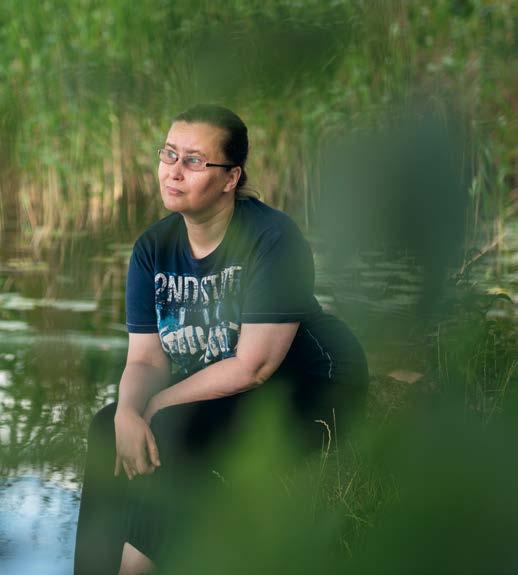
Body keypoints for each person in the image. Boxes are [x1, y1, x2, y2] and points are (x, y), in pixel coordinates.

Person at [73, 104, 369, 574]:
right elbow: (146, 361)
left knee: (174, 428)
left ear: (231, 178)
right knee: (106, 428)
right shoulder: (153, 248)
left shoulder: (272, 237)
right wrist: (130, 411)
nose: (173, 171)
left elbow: (255, 366)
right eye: (169, 154)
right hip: (228, 382)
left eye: (194, 161)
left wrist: (159, 405)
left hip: (312, 381)